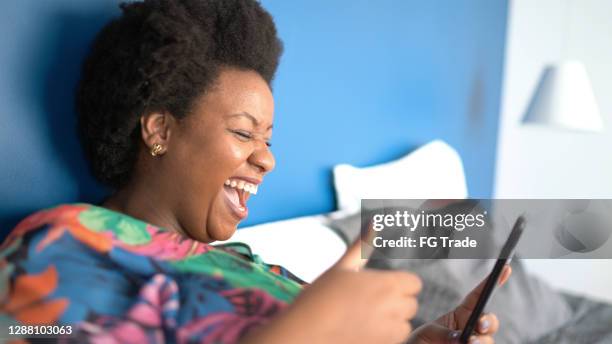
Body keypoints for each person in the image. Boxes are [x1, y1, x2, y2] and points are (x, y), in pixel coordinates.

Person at [0, 0, 510, 342]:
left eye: (268, 140)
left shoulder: (256, 267)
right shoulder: (64, 241)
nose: (267, 159)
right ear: (159, 130)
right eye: (244, 134)